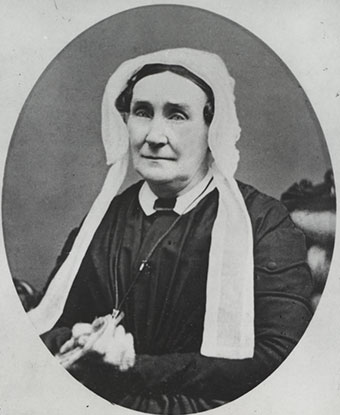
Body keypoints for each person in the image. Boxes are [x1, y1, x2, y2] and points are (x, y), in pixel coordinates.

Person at [28, 48, 313, 414]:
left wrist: (132, 365)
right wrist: (80, 342)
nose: (155, 136)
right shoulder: (103, 220)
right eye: (142, 112)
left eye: (178, 115)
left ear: (213, 127)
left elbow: (280, 357)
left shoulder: (261, 222)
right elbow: (48, 324)